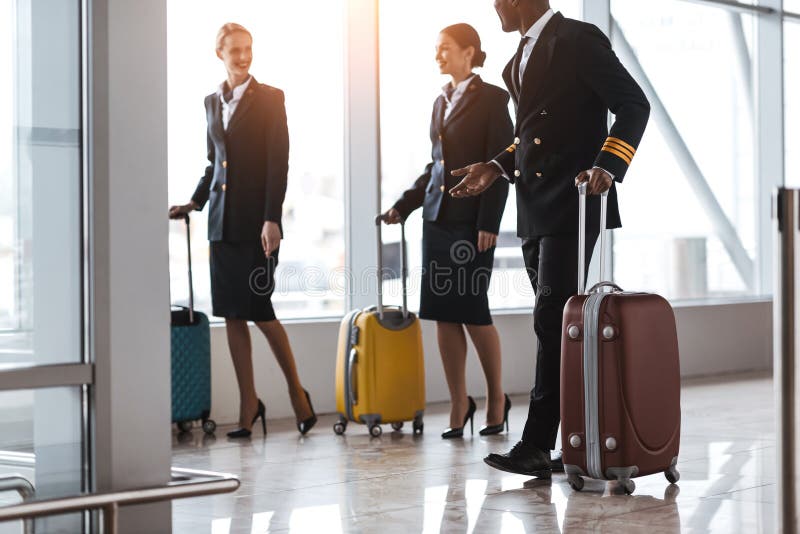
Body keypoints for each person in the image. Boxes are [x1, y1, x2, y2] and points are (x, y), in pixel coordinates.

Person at [450, 1, 650, 476]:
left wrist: (608, 165)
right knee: (559, 326)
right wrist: (495, 167)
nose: (493, 6)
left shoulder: (577, 40)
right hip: (535, 207)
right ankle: (574, 440)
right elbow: (531, 134)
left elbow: (632, 104)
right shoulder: (516, 58)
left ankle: (538, 442)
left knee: (550, 321)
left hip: (575, 203)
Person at [169, 23, 316, 438]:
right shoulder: (211, 102)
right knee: (232, 315)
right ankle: (248, 402)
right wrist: (195, 202)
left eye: (248, 49)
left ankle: (296, 394)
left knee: (261, 311)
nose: (243, 56)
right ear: (220, 53)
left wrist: (272, 218)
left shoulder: (271, 99)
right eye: (235, 50)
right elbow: (212, 163)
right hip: (221, 224)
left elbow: (277, 162)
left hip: (256, 225)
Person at [382, 23, 514, 439]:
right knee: (442, 315)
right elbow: (435, 166)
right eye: (437, 49)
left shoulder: (493, 98)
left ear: (469, 52)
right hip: (437, 221)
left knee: (474, 312)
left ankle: (496, 397)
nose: (438, 56)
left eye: (445, 49)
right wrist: (403, 206)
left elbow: (501, 164)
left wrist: (489, 223)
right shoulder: (440, 101)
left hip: (471, 225)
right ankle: (460, 401)